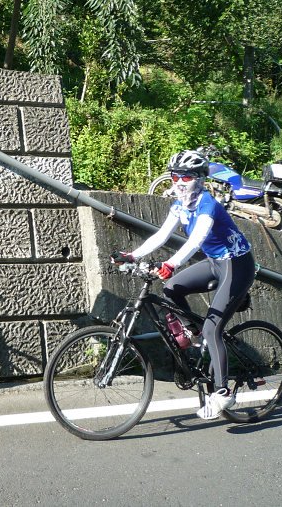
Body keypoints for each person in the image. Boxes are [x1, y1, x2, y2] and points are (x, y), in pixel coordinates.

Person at [111, 149, 256, 420]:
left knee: (214, 328)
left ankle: (223, 392)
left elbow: (196, 240)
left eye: (186, 177)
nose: (179, 181)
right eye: (175, 176)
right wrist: (133, 255)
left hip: (237, 265)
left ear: (200, 179)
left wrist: (170, 264)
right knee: (172, 288)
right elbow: (162, 235)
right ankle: (192, 332)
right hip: (215, 263)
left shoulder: (207, 204)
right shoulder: (180, 204)